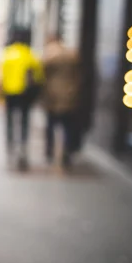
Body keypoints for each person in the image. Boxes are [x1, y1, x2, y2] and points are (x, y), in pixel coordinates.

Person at [0, 27, 43, 167]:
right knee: (24, 119)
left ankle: (10, 143)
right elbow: (39, 75)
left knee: (10, 119)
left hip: (8, 93)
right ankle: (22, 144)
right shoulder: (29, 54)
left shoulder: (7, 54)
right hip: (24, 93)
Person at [41, 34, 81, 167]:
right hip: (69, 94)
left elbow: (42, 73)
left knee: (51, 124)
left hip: (53, 95)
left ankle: (50, 151)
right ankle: (67, 151)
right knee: (67, 126)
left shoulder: (50, 55)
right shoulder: (71, 55)